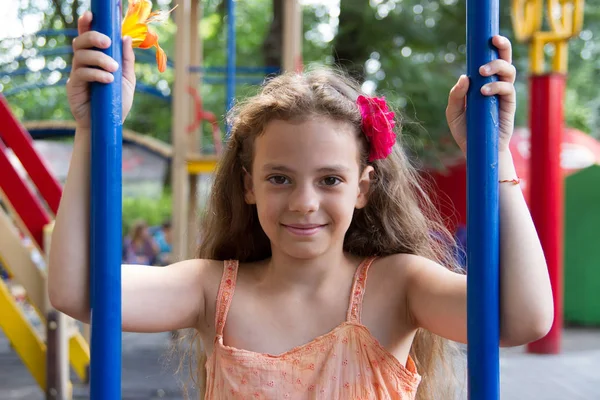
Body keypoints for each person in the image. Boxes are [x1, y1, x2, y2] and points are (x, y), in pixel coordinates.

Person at [48, 10, 553, 400]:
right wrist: (96, 129)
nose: (304, 202)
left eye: (330, 179)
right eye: (279, 178)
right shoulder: (212, 289)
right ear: (249, 186)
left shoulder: (397, 285)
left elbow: (522, 318)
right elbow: (78, 290)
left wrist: (496, 154)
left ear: (363, 187)